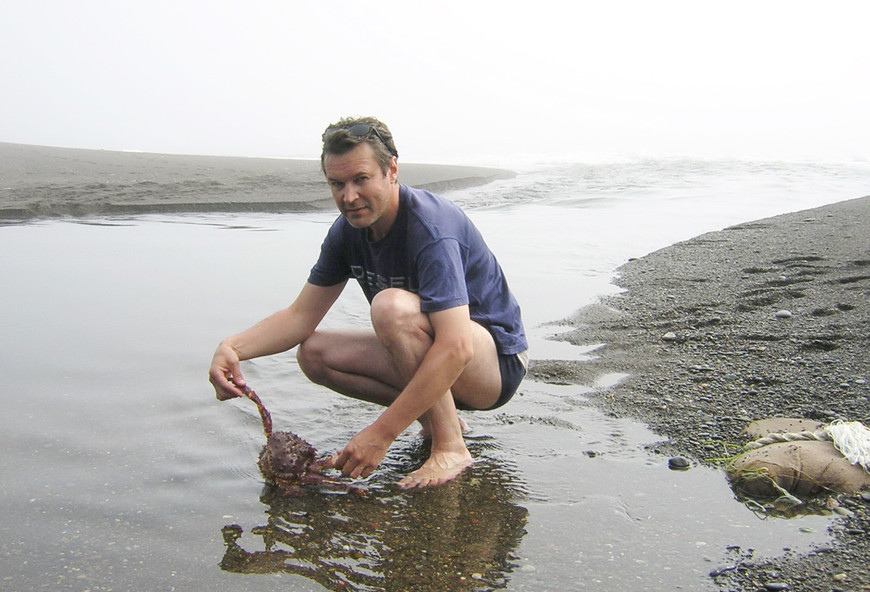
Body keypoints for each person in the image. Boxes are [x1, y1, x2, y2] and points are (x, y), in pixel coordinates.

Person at [209, 116, 528, 488]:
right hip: (442, 353)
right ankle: (440, 418)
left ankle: (450, 445)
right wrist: (232, 348)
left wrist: (382, 432)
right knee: (313, 353)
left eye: (361, 179)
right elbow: (300, 317)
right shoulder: (347, 233)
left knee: (391, 308)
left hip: (495, 363)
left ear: (391, 170)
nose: (348, 197)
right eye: (337, 184)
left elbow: (457, 347)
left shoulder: (431, 227)